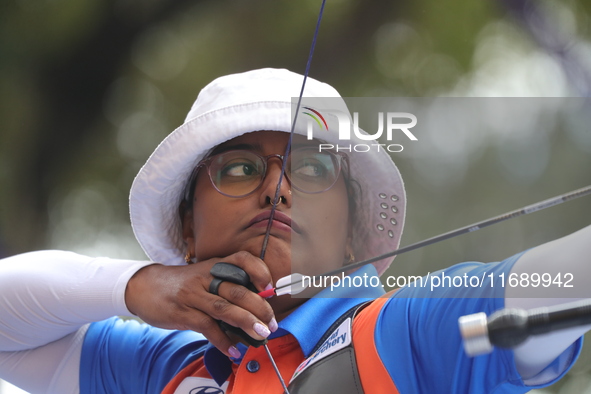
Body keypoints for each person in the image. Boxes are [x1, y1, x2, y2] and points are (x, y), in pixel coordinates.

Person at [0, 68, 590, 394]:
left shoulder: (411, 331)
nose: (277, 188)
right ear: (186, 229)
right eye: (239, 167)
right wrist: (141, 286)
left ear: (356, 234)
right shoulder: (164, 367)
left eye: (312, 169)